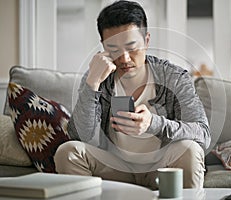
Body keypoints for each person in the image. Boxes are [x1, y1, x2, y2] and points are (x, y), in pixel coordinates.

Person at [54, 0, 210, 189]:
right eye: (114, 49)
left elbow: (202, 133)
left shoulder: (173, 77)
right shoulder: (97, 76)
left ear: (146, 40)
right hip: (115, 167)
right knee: (68, 151)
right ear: (103, 46)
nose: (125, 59)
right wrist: (92, 84)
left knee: (189, 149)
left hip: (161, 167)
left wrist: (153, 124)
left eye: (131, 47)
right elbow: (81, 138)